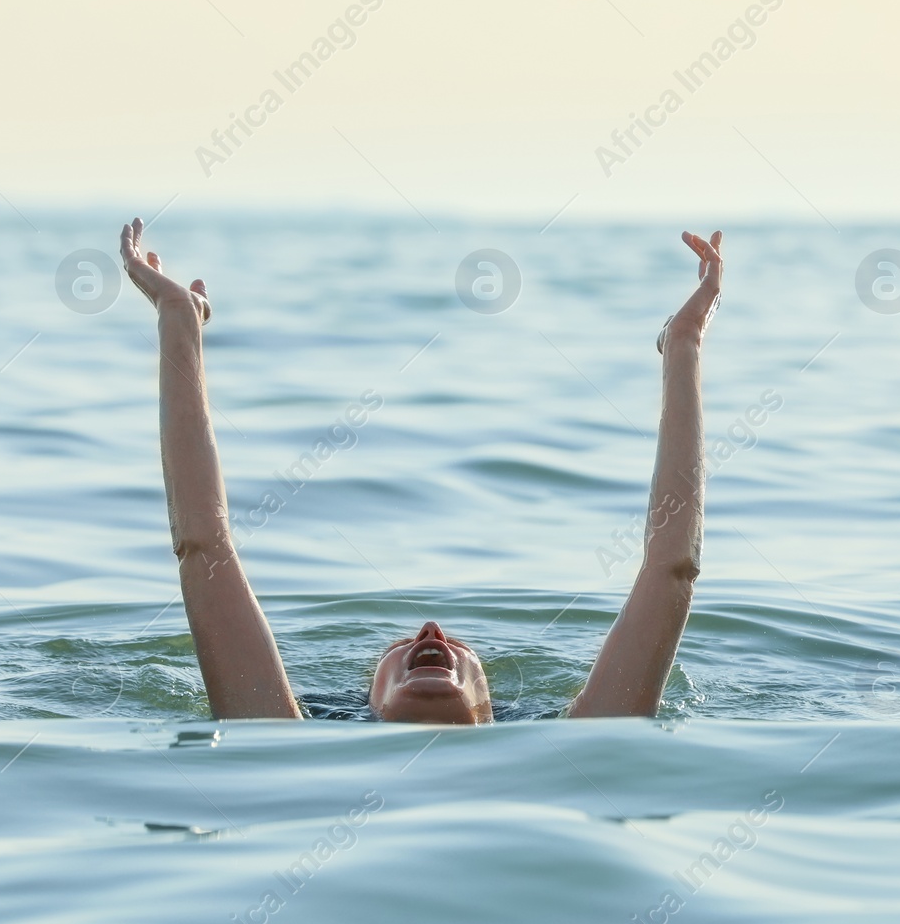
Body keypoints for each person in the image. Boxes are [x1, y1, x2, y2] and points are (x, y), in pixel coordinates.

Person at [119, 218, 722, 724]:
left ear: (489, 707)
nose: (430, 630)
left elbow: (675, 565)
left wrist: (686, 343)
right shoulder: (284, 736)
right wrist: (176, 320)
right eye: (404, 647)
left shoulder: (579, 743)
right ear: (371, 702)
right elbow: (202, 543)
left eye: (442, 646)